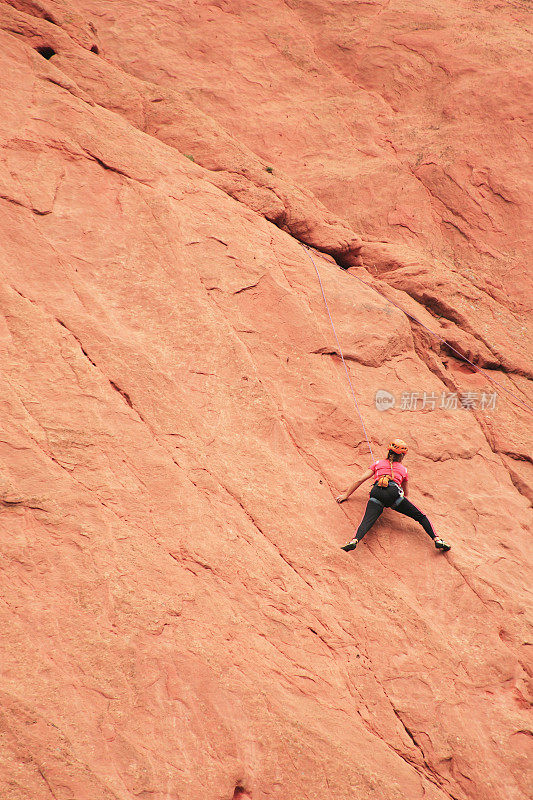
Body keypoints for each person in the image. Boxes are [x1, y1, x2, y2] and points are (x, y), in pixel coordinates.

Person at [337, 438, 451, 552]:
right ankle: (437, 540)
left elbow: (360, 479)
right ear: (402, 456)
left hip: (376, 492)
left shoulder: (378, 464)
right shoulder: (403, 470)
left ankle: (354, 541)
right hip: (393, 494)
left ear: (388, 452)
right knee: (420, 516)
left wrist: (345, 495)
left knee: (366, 521)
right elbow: (406, 493)